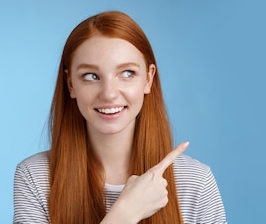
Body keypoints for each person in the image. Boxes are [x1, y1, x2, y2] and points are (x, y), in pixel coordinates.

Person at [13, 11, 227, 224]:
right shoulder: (35, 178)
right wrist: (125, 214)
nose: (109, 93)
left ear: (148, 78)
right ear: (71, 84)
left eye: (127, 73)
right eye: (91, 76)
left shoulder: (195, 182)